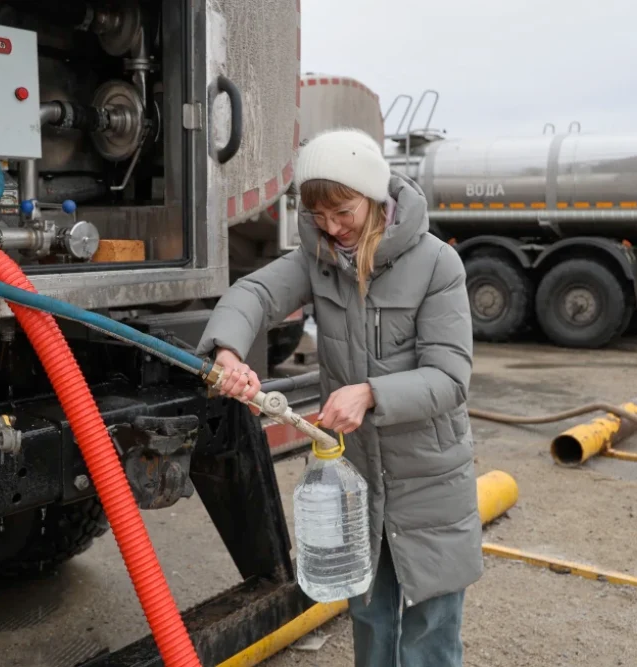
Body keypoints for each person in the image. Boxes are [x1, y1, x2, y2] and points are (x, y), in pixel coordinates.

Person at [196, 127, 481, 666]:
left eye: (343, 212)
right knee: (370, 618)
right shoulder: (317, 256)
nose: (331, 228)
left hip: (429, 477)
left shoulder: (438, 264)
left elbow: (450, 378)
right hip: (355, 478)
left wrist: (370, 394)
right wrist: (229, 351)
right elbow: (253, 293)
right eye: (319, 216)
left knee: (431, 631)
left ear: (374, 197)